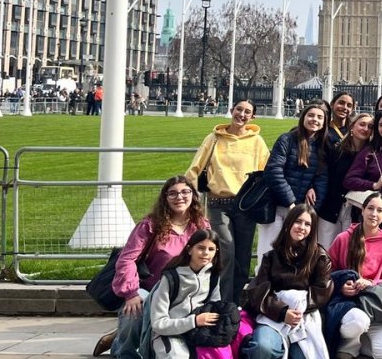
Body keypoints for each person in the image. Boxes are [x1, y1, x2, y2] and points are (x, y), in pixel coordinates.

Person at [94, 176, 210, 358]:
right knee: (135, 310)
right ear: (165, 198)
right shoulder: (150, 225)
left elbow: (209, 258)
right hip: (149, 288)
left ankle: (125, 339)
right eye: (173, 193)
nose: (179, 197)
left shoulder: (201, 225)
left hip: (183, 290)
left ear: (193, 196)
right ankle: (124, 350)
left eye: (184, 192)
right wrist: (131, 293)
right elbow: (126, 259)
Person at [184, 100, 269, 303]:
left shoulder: (257, 142)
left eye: (247, 112)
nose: (242, 114)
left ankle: (236, 302)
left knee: (242, 256)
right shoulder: (214, 138)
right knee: (227, 252)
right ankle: (222, 301)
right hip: (218, 203)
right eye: (239, 109)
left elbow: (265, 172)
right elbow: (195, 168)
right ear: (231, 111)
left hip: (245, 205)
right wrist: (189, 196)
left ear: (252, 117)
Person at [242, 204, 333, 359]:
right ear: (289, 223)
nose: (302, 227)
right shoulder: (271, 256)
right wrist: (283, 312)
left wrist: (298, 310)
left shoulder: (320, 257)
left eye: (307, 224)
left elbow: (323, 290)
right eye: (298, 221)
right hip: (272, 314)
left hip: (304, 317)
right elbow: (259, 291)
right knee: (263, 348)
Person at [327, 193, 382, 359]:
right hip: (347, 305)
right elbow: (326, 272)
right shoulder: (343, 238)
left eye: (380, 210)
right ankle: (349, 345)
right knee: (358, 322)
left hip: (374, 305)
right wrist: (341, 285)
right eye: (370, 208)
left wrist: (370, 282)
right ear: (362, 210)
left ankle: (362, 341)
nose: (374, 214)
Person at [259, 103, 330, 264]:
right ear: (303, 117)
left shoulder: (322, 147)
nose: (315, 120)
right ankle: (263, 287)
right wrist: (290, 202)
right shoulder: (287, 139)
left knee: (296, 255)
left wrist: (310, 210)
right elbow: (273, 171)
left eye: (320, 117)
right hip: (278, 206)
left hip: (301, 212)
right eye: (311, 115)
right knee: (268, 253)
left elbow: (322, 178)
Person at [146, 230, 225, 359]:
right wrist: (194, 321)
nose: (206, 253)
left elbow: (215, 307)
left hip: (199, 333)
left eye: (211, 249)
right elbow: (158, 323)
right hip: (169, 334)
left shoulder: (213, 277)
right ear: (189, 250)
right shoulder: (171, 278)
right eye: (200, 248)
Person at [323, 113, 374, 241]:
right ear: (352, 127)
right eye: (362, 124)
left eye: (370, 126)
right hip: (330, 207)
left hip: (355, 210)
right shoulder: (337, 150)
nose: (366, 129)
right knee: (325, 249)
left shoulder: (373, 155)